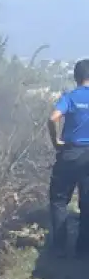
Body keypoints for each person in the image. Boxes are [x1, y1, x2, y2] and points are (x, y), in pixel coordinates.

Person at [47, 58, 89, 258]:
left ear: (76, 77)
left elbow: (52, 118)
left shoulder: (70, 97)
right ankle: (83, 246)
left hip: (70, 153)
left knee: (59, 199)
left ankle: (60, 246)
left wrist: (56, 141)